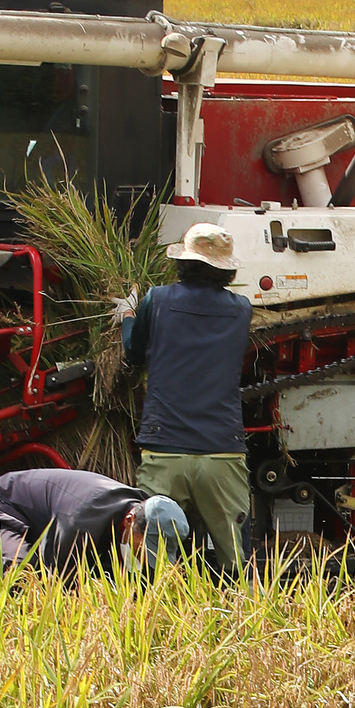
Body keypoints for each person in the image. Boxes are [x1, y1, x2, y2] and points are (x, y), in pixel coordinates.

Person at [120, 223, 253, 575]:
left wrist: (126, 318)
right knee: (236, 564)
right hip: (221, 454)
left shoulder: (158, 300)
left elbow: (134, 354)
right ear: (227, 269)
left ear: (183, 262)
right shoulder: (241, 310)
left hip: (165, 452)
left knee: (147, 561)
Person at [0, 466, 189, 575]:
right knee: (28, 573)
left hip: (54, 516)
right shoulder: (80, 525)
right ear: (130, 520)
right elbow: (52, 579)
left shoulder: (140, 505)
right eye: (147, 545)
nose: (146, 555)